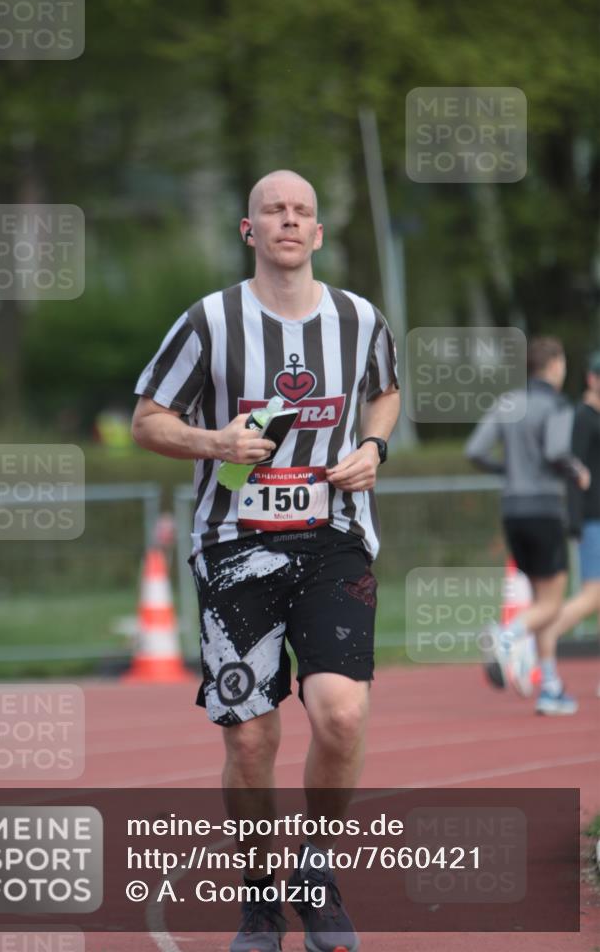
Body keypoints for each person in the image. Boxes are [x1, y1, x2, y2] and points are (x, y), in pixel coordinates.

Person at [132, 170, 400, 952]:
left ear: (317, 232)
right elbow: (147, 420)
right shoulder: (209, 321)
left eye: (301, 211)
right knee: (249, 740)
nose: (288, 220)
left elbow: (384, 391)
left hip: (333, 536)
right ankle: (258, 900)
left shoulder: (359, 318)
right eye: (273, 210)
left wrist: (372, 446)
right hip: (234, 543)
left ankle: (315, 870)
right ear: (249, 230)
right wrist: (213, 441)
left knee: (340, 713)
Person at [466, 336, 590, 715]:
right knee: (552, 603)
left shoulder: (508, 403)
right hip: (544, 509)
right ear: (553, 365)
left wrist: (507, 470)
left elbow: (475, 450)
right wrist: (578, 471)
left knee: (541, 603)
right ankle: (506, 638)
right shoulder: (556, 405)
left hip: (513, 510)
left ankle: (550, 686)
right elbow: (556, 452)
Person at [537, 351, 600, 686]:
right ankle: (539, 636)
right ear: (592, 379)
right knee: (593, 595)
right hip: (592, 519)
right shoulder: (582, 418)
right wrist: (575, 520)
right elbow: (573, 473)